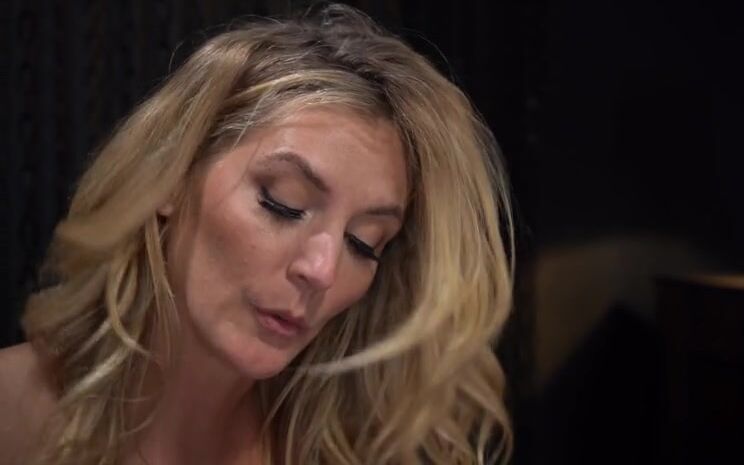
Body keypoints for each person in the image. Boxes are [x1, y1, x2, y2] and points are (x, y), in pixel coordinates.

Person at [0, 4, 515, 465]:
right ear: (172, 176)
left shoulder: (359, 451)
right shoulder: (12, 413)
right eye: (283, 203)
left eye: (364, 242)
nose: (322, 270)